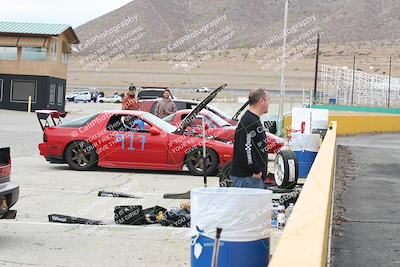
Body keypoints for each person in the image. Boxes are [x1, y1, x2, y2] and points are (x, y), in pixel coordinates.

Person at [229, 88, 271, 189]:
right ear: (261, 101)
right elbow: (246, 148)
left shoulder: (252, 120)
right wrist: (256, 170)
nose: (269, 104)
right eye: (268, 100)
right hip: (248, 178)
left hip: (250, 177)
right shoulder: (249, 122)